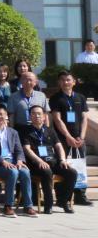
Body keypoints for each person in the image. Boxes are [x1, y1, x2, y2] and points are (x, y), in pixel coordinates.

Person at [0, 103, 37, 217]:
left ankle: (28, 206)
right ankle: (8, 206)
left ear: (6, 115)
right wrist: (3, 162)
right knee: (13, 172)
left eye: (1, 114)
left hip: (12, 162)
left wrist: (20, 160)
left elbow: (19, 149)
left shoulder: (13, 132)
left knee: (25, 172)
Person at [48, 70, 92, 206]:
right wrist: (68, 136)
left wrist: (81, 137)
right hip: (62, 139)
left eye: (68, 80)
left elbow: (84, 118)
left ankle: (80, 195)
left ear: (74, 82)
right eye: (62, 80)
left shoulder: (80, 97)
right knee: (63, 166)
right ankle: (62, 197)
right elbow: (57, 119)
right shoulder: (55, 98)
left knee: (80, 167)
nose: (65, 82)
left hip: (79, 139)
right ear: (59, 82)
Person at [21, 104, 77, 214]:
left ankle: (63, 201)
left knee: (72, 173)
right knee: (47, 172)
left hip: (53, 161)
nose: (36, 116)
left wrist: (62, 160)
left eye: (39, 114)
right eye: (33, 114)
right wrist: (39, 161)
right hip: (36, 164)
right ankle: (48, 204)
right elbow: (27, 149)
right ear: (30, 116)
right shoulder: (25, 131)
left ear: (44, 116)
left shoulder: (50, 130)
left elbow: (59, 146)